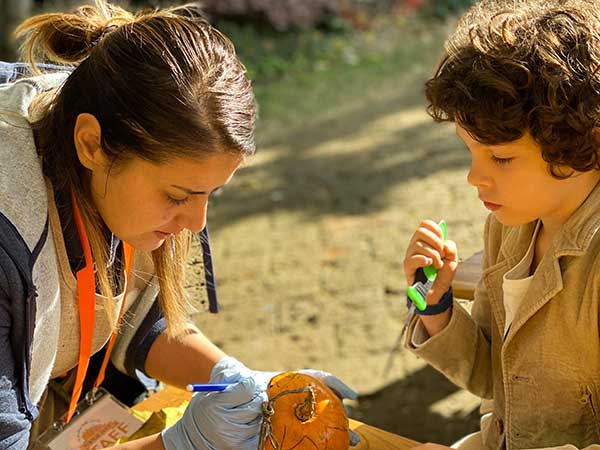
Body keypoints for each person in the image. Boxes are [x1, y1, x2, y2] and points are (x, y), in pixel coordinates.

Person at [0, 1, 358, 449]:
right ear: (91, 144)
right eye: (176, 197)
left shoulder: (106, 133)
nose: (196, 220)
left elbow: (135, 317)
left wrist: (231, 379)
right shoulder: (8, 228)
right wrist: (179, 443)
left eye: (212, 193)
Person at [402, 0, 600, 449]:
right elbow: (498, 376)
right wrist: (436, 310)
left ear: (583, 142)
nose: (474, 177)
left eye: (501, 157)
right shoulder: (510, 226)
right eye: (469, 151)